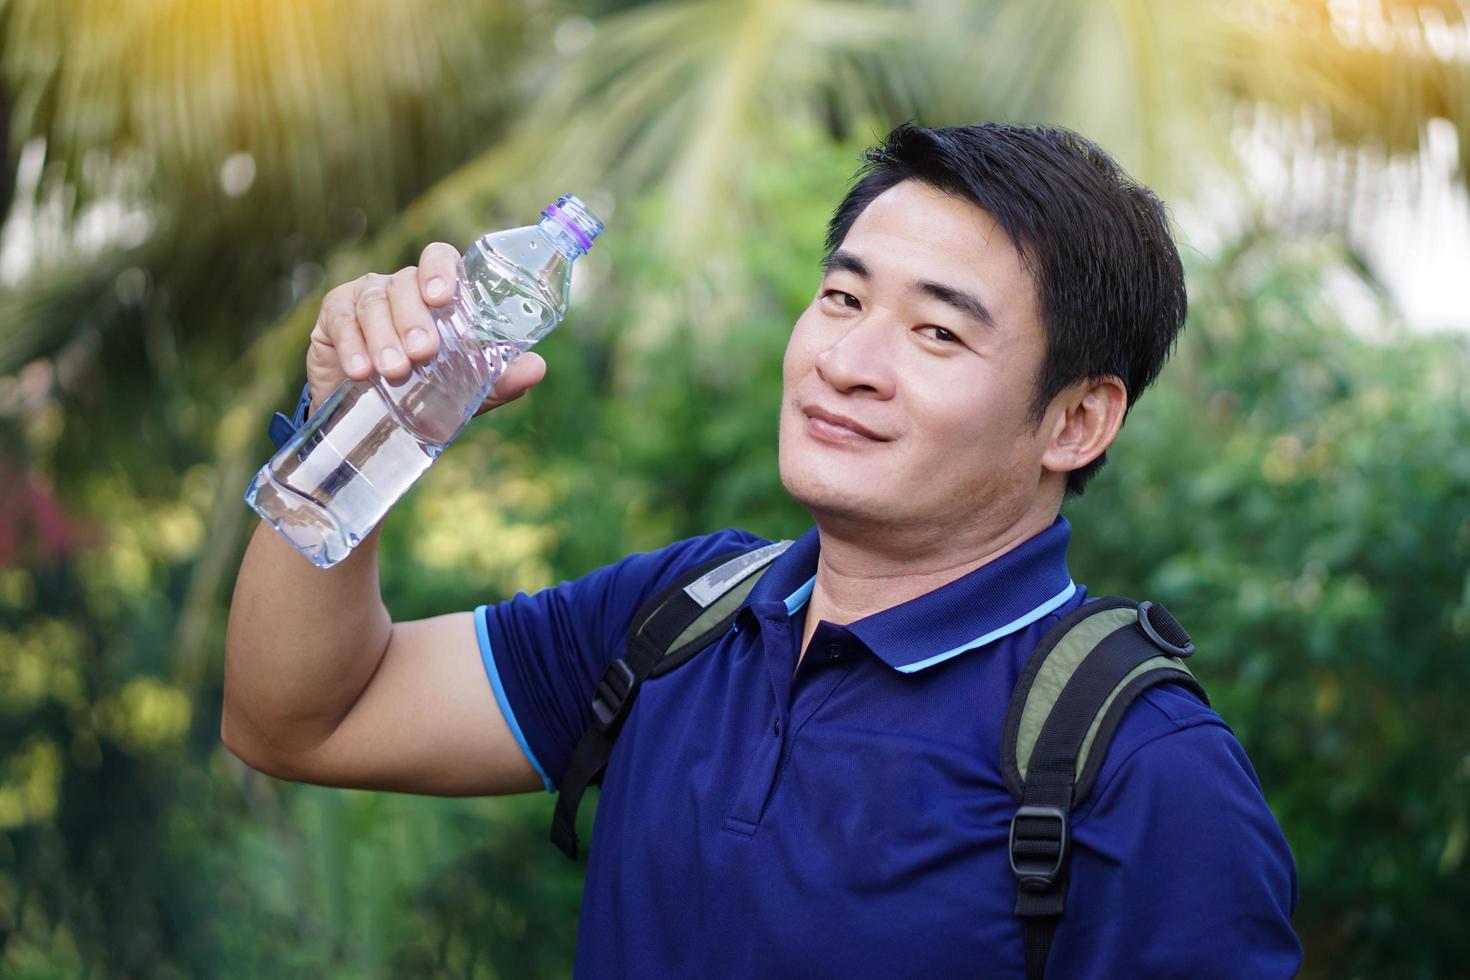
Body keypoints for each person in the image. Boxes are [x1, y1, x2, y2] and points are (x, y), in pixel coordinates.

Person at [224, 122, 1303, 977]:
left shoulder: (1145, 772)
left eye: (938, 330)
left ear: (1076, 421)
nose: (850, 359)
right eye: (841, 296)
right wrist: (346, 432)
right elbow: (299, 716)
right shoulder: (681, 615)